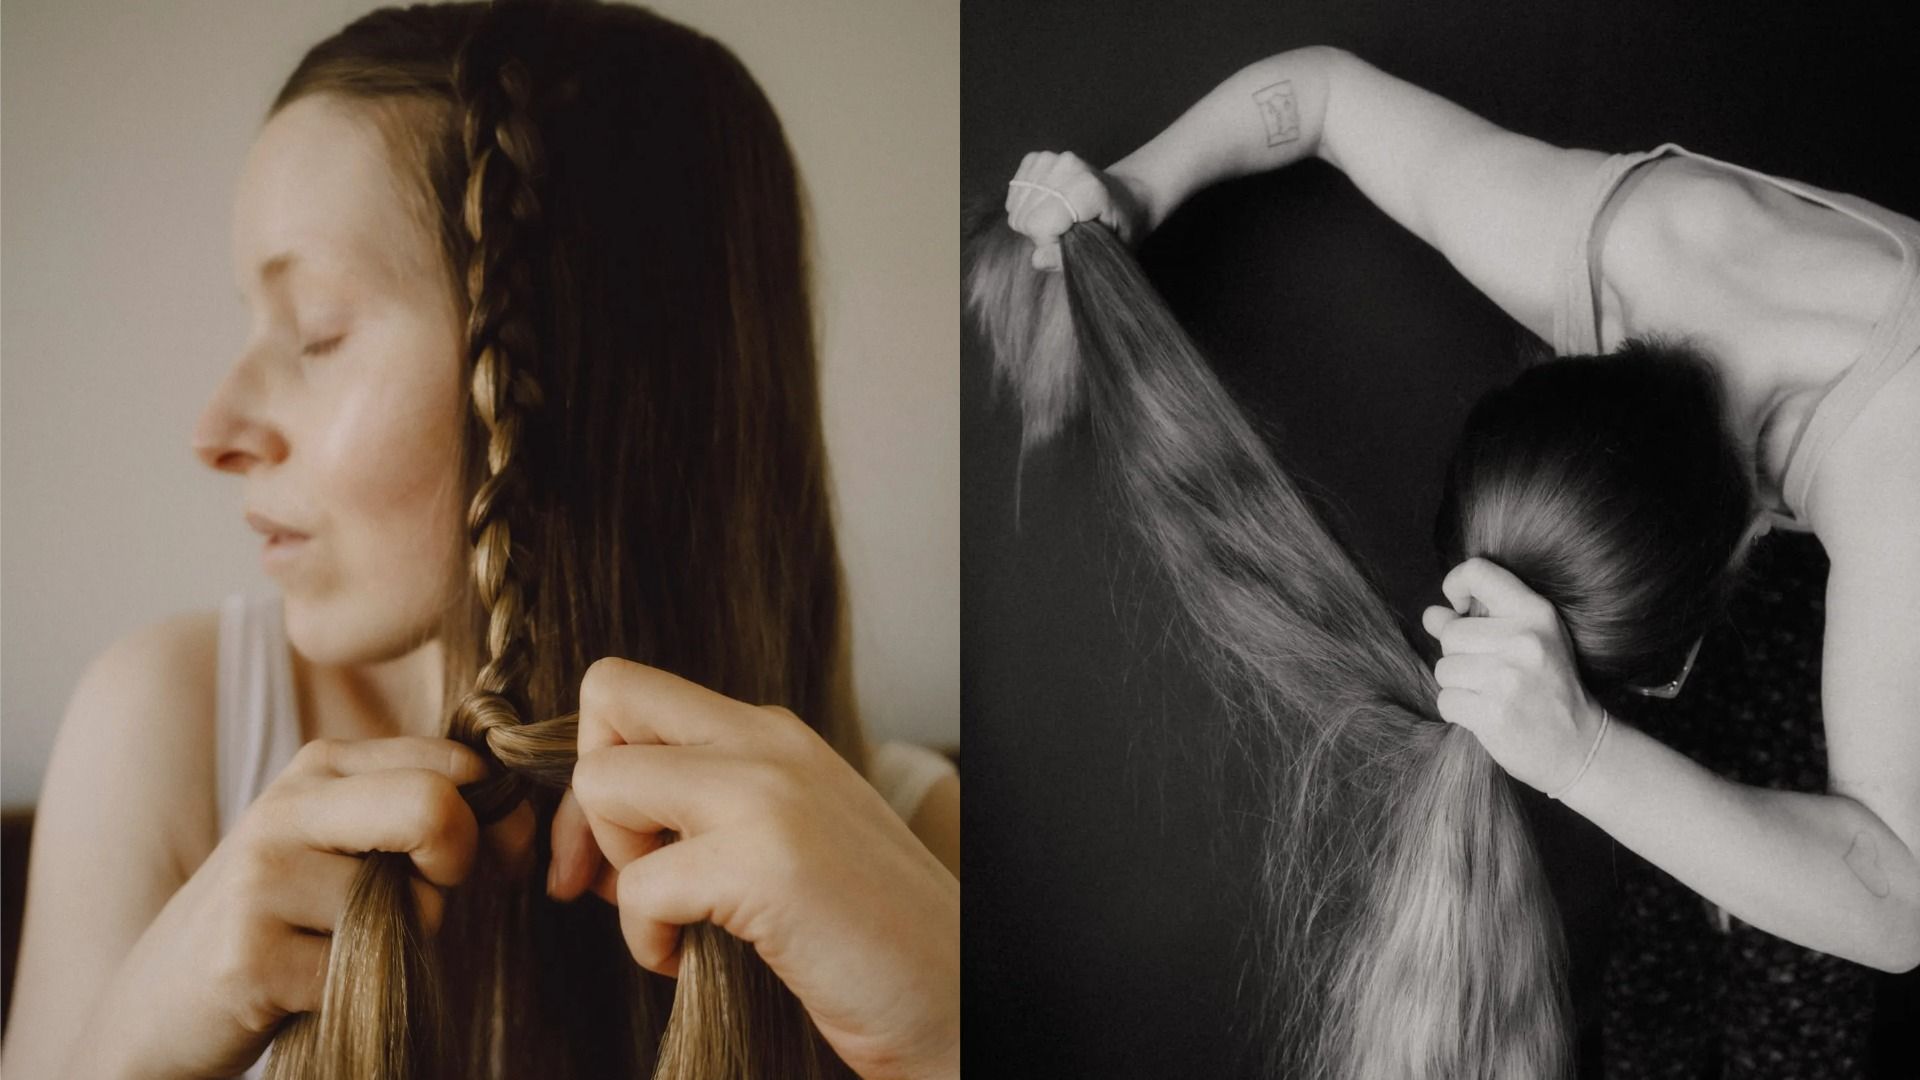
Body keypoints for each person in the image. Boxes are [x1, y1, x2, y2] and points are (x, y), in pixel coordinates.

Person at [1, 3, 959, 1078]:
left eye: (316, 329)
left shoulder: (920, 852)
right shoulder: (168, 730)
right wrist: (133, 1044)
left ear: (577, 381)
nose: (214, 430)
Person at [998, 41, 1917, 1074]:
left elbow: (1897, 905)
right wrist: (1136, 185)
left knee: (1799, 965)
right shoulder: (1588, 246)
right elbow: (1322, 97)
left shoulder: (1897, 473)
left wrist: (1588, 757)